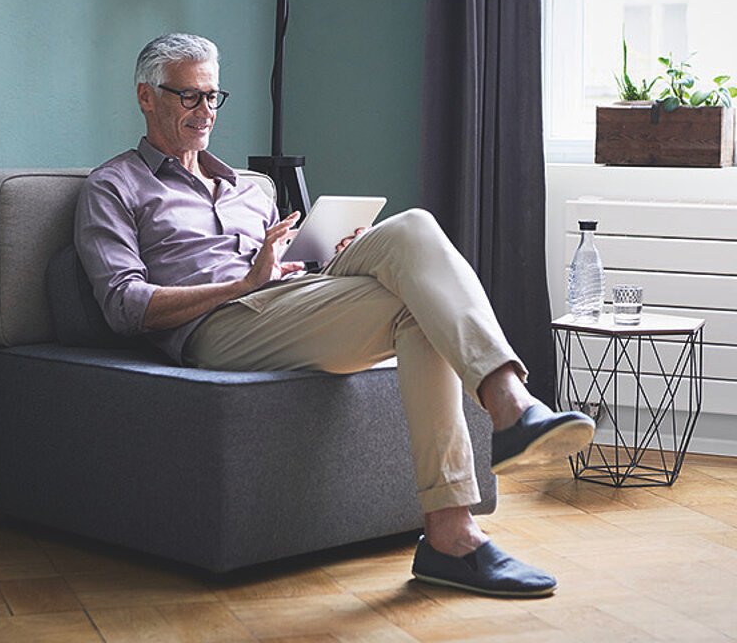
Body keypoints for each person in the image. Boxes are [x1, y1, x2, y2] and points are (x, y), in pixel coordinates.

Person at [75, 32, 595, 598]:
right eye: (187, 97)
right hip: (217, 327)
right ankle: (499, 435)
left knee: (413, 231)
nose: (205, 112)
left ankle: (459, 518)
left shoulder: (253, 187)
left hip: (285, 304)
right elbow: (124, 306)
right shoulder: (113, 186)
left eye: (212, 97)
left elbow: (289, 273)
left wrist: (332, 260)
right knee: (416, 298)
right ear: (146, 97)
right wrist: (244, 283)